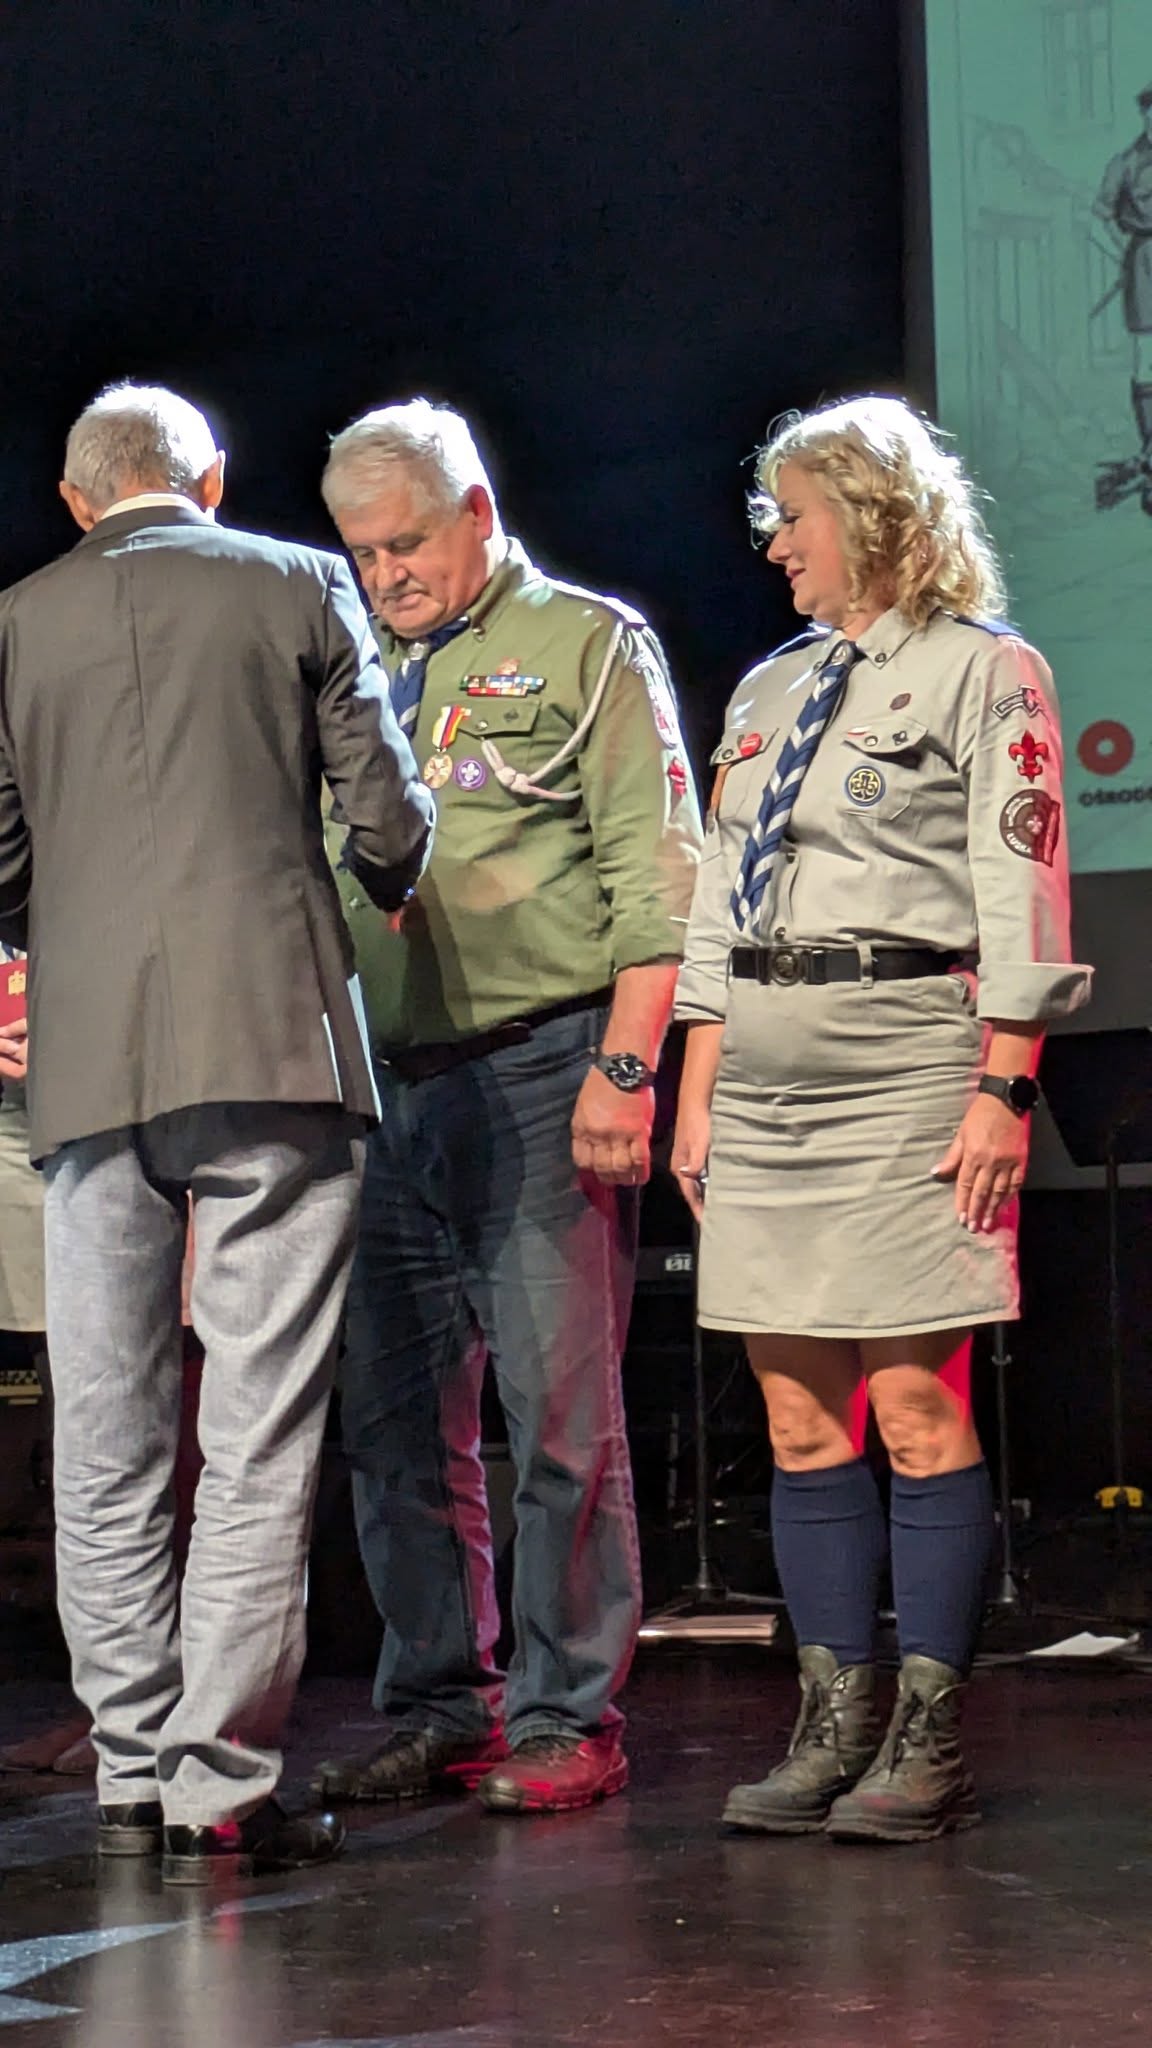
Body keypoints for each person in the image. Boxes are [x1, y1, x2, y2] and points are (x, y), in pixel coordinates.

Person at [0, 383, 434, 1883]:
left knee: (105, 1421)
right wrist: (391, 875)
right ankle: (216, 1777)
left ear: (77, 501)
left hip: (87, 1057)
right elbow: (385, 818)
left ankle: (129, 1761)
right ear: (214, 478)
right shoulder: (300, 580)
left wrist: (75, 932)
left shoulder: (16, 619)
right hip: (274, 1038)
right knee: (256, 1424)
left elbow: (0, 857)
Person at [672, 395, 1091, 1843]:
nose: (773, 545)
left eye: (791, 516)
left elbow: (1023, 889)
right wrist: (698, 1087)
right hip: (765, 1075)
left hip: (910, 1061)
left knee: (914, 1408)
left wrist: (1005, 1087)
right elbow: (719, 901)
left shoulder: (986, 669)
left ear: (872, 513)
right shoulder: (768, 689)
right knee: (799, 1418)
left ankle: (927, 1735)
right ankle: (831, 1721)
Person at [313, 399, 702, 1815]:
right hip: (380, 1090)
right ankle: (443, 1706)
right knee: (396, 1430)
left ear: (477, 510)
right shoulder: (348, 666)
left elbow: (659, 875)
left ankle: (565, 1715)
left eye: (408, 543)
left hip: (544, 1070)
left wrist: (628, 1065)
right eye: (362, 554)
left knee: (557, 1420)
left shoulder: (588, 643)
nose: (387, 575)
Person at [1095, 83, 1152, 511]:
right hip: (1144, 260)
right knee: (1147, 356)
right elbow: (1102, 213)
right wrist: (1126, 251)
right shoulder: (1125, 163)